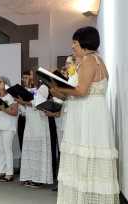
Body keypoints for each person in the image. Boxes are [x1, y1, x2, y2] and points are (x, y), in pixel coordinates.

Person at [51, 26, 119, 204]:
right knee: (87, 159)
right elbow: (74, 93)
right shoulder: (92, 60)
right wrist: (58, 89)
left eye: (75, 42)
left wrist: (60, 87)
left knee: (86, 155)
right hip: (87, 112)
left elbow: (81, 90)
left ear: (84, 42)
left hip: (88, 114)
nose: (72, 46)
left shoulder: (89, 59)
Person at [17, 78, 53, 188]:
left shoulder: (44, 88)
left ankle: (39, 179)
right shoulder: (33, 89)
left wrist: (23, 101)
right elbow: (25, 110)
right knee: (30, 151)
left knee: (38, 151)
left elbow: (37, 104)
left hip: (39, 124)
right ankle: (30, 176)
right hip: (30, 124)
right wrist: (20, 103)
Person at [0, 76, 19, 182]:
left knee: (7, 149)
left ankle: (9, 173)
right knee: (0, 150)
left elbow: (14, 112)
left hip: (8, 127)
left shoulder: (12, 96)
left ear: (5, 83)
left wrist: (2, 108)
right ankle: (1, 171)